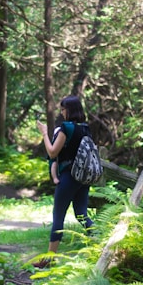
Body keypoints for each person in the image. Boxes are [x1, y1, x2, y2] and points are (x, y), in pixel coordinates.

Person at [34, 95, 94, 268]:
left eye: (63, 109)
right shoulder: (85, 128)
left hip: (68, 177)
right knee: (82, 215)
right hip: (83, 178)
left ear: (70, 110)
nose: (61, 112)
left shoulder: (65, 128)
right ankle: (101, 243)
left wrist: (45, 133)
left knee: (58, 217)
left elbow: (52, 152)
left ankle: (49, 259)